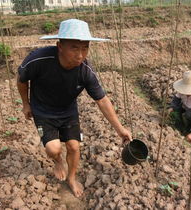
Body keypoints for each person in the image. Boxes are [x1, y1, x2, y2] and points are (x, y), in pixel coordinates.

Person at [16, 19, 132, 198]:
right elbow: (22, 79)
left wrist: (120, 129)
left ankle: (71, 177)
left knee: (74, 146)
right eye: (74, 48)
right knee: (53, 149)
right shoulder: (39, 59)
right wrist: (25, 104)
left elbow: (101, 100)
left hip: (67, 110)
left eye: (85, 48)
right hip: (42, 110)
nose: (80, 55)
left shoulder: (85, 71)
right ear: (59, 46)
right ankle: (58, 161)